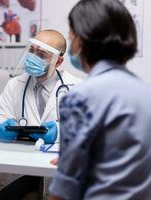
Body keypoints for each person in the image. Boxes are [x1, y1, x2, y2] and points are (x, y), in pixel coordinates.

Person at [49, 0, 151, 200]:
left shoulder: (81, 97)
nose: (70, 40)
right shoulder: (146, 92)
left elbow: (63, 191)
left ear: (83, 39)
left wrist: (70, 161)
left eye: (72, 34)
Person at [0, 30, 82, 199]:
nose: (33, 57)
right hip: (22, 161)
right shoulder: (15, 84)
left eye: (41, 54)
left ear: (58, 61)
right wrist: (0, 127)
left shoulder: (77, 87)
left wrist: (60, 132)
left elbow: (86, 130)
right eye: (32, 51)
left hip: (57, 165)